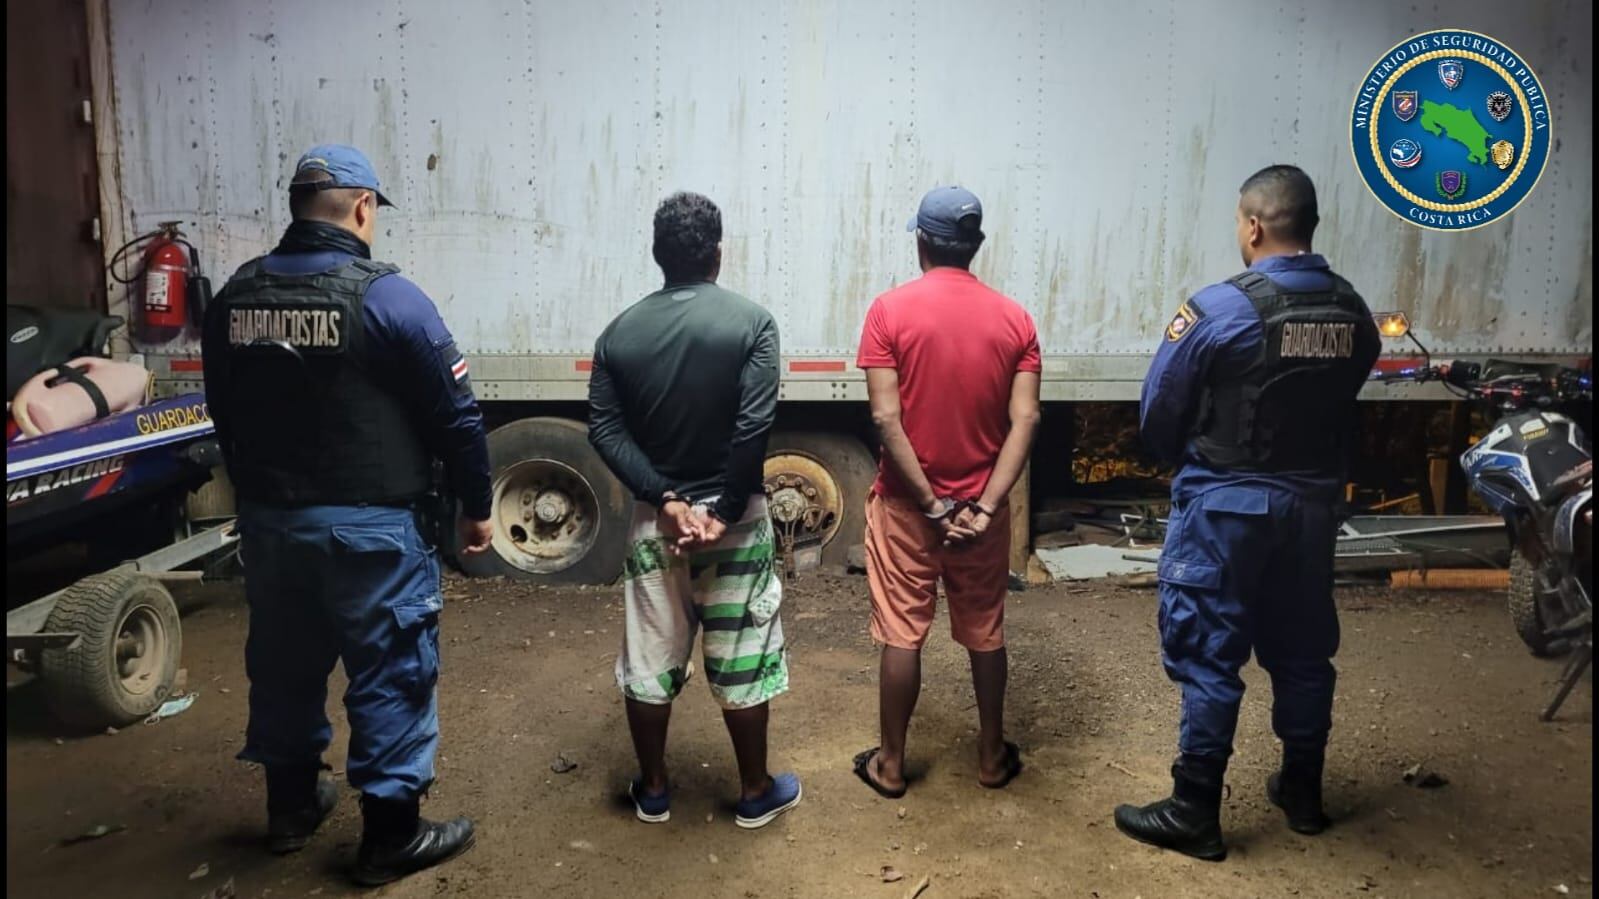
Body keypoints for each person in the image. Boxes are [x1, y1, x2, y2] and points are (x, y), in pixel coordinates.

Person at [201, 144, 492, 886]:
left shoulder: (234, 296)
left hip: (271, 525)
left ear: (297, 207)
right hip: (372, 528)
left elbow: (223, 410)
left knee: (285, 664)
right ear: (364, 209)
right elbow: (457, 418)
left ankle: (291, 809)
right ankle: (391, 837)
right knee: (390, 669)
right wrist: (477, 509)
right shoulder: (389, 299)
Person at [1114, 165, 1381, 861]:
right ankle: (1301, 793)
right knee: (1300, 650)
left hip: (1226, 508)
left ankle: (1193, 808)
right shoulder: (1352, 311)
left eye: (1239, 221)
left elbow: (1157, 412)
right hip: (1310, 510)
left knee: (1208, 653)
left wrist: (1193, 460)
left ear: (1254, 224)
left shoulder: (1220, 309)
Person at [587, 191, 801, 830]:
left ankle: (653, 789)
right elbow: (752, 426)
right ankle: (755, 791)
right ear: (717, 252)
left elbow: (604, 431)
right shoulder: (753, 324)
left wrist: (669, 499)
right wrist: (722, 507)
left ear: (658, 255)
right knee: (743, 651)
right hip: (735, 523)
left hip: (659, 526)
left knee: (650, 654)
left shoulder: (618, 333)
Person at [851, 186, 1042, 799]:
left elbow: (885, 419)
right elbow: (1027, 420)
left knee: (903, 633)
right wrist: (983, 508)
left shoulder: (888, 311)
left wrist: (933, 507)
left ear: (922, 241)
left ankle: (891, 765)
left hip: (910, 508)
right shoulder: (1016, 319)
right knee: (985, 629)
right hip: (979, 516)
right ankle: (991, 757)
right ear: (976, 244)